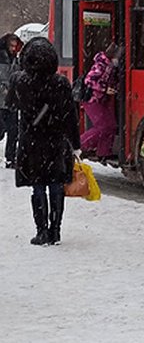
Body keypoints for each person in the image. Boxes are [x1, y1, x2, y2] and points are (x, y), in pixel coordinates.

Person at [7, 38, 80, 246]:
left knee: (37, 186)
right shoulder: (61, 84)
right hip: (56, 143)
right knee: (56, 185)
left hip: (32, 142)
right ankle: (55, 230)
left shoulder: (20, 81)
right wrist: (75, 144)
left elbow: (10, 104)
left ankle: (41, 232)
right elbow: (70, 117)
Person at [81, 44, 120, 161]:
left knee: (111, 126)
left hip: (101, 99)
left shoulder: (109, 65)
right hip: (93, 100)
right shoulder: (101, 65)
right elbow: (89, 80)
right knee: (103, 126)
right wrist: (104, 89)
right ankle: (80, 145)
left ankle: (104, 152)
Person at [0, 32, 23, 168]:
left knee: (13, 131)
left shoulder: (16, 60)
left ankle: (10, 158)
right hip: (2, 99)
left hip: (12, 101)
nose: (14, 49)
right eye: (12, 46)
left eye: (15, 46)